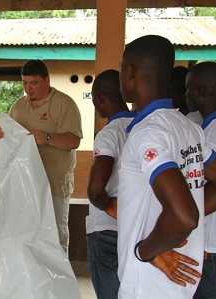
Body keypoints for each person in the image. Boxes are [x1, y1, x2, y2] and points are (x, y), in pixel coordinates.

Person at [117, 34, 216, 299]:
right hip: (181, 282)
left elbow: (184, 216)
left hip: (148, 282)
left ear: (130, 71)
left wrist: (147, 251)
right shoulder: (189, 128)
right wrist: (173, 232)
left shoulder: (147, 134)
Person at [0, 59, 82, 257]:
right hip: (25, 184)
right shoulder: (18, 106)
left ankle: (58, 281)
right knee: (27, 234)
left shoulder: (64, 103)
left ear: (47, 80)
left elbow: (74, 141)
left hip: (54, 184)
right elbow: (11, 139)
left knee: (55, 234)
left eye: (34, 83)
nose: (28, 89)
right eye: (24, 83)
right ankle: (35, 282)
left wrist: (48, 137)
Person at [86, 69, 136, 299]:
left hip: (107, 229)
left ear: (99, 99)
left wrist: (110, 207)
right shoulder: (144, 127)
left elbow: (96, 191)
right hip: (138, 229)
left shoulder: (109, 134)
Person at [185, 61, 216, 299]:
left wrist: (187, 219)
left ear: (201, 92)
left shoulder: (213, 132)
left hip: (211, 246)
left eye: (188, 88)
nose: (184, 95)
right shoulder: (203, 126)